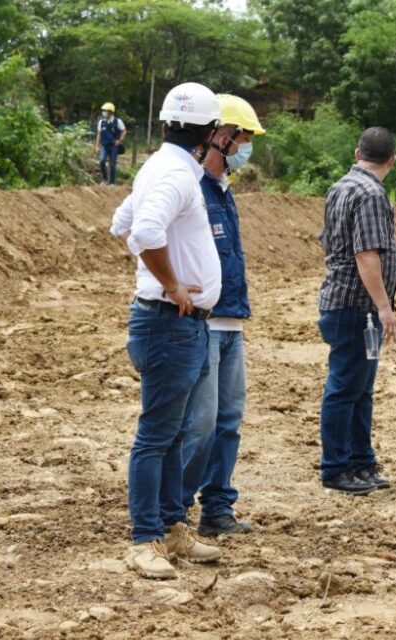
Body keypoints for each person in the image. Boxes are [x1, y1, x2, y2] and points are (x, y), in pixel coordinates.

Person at [109, 82, 224, 579]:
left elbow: (120, 223)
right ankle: (144, 539)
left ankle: (173, 527)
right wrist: (172, 283)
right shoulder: (176, 175)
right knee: (157, 436)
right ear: (210, 132)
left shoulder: (161, 169)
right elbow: (142, 233)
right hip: (169, 321)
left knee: (173, 434)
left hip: (177, 323)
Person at [176, 94, 265, 537]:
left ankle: (216, 508)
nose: (247, 148)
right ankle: (173, 510)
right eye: (244, 138)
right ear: (222, 137)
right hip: (203, 325)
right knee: (201, 424)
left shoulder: (225, 193)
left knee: (228, 420)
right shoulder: (190, 189)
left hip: (231, 322)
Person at [316, 127, 396, 496]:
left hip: (348, 304)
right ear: (392, 161)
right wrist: (384, 307)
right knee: (346, 386)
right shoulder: (369, 194)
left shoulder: (341, 187)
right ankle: (337, 467)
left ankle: (360, 460)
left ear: (357, 153)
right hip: (357, 307)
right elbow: (366, 255)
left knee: (360, 387)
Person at [95, 102, 126, 185]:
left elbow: (124, 131)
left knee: (112, 164)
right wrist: (97, 146)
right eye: (103, 110)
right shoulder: (101, 122)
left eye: (106, 111)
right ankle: (105, 179)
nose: (104, 112)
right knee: (102, 161)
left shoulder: (118, 121)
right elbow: (99, 134)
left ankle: (112, 182)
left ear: (111, 112)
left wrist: (120, 140)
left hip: (114, 146)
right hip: (104, 146)